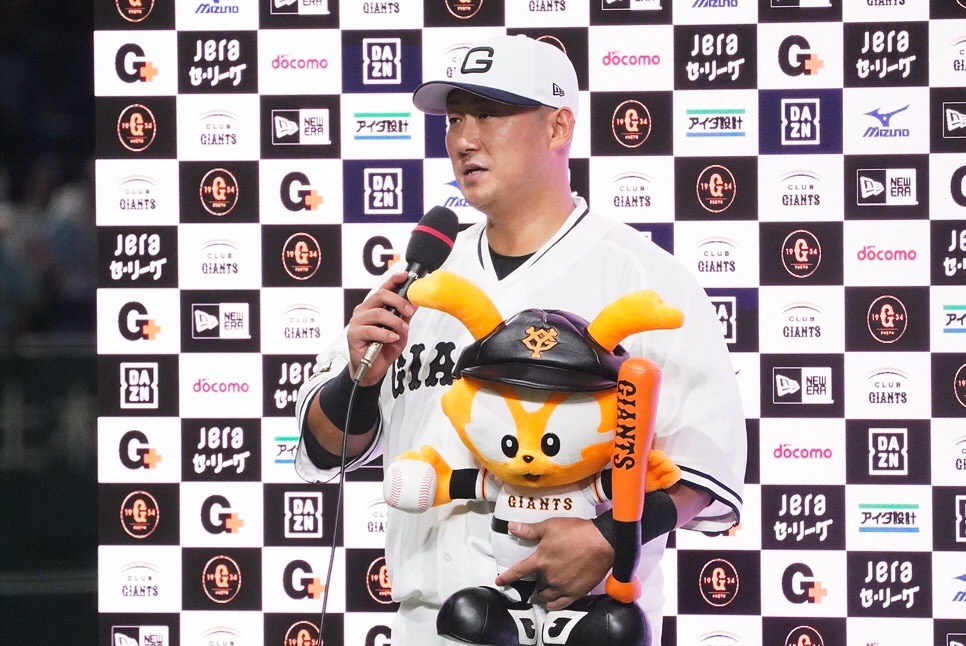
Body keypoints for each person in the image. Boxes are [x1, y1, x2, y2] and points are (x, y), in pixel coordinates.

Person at [295, 34, 746, 645]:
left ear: (558, 126)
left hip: (573, 623)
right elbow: (327, 451)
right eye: (455, 119)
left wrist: (610, 537)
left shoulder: (642, 276)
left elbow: (705, 467)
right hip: (427, 623)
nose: (464, 139)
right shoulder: (420, 282)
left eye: (489, 114)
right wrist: (361, 380)